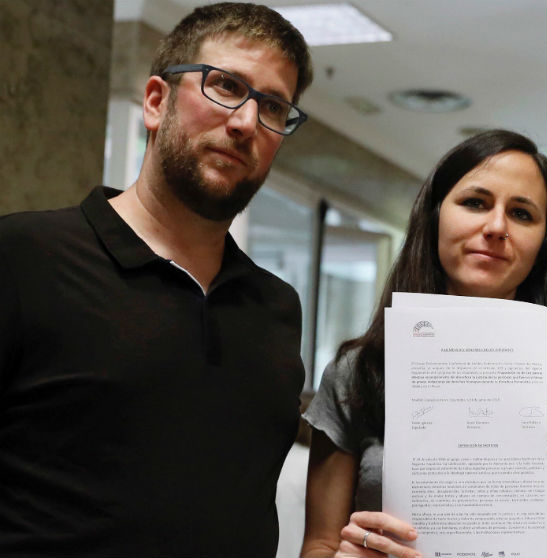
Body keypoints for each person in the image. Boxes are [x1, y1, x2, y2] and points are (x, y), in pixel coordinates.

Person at [0, 3, 313, 555]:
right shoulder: (24, 256)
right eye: (224, 85)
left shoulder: (276, 308)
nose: (244, 122)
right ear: (155, 101)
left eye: (272, 107)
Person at [301, 130, 547, 558]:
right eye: (475, 202)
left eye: (522, 213)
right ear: (435, 215)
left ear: (544, 242)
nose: (495, 227)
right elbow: (320, 544)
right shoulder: (359, 371)